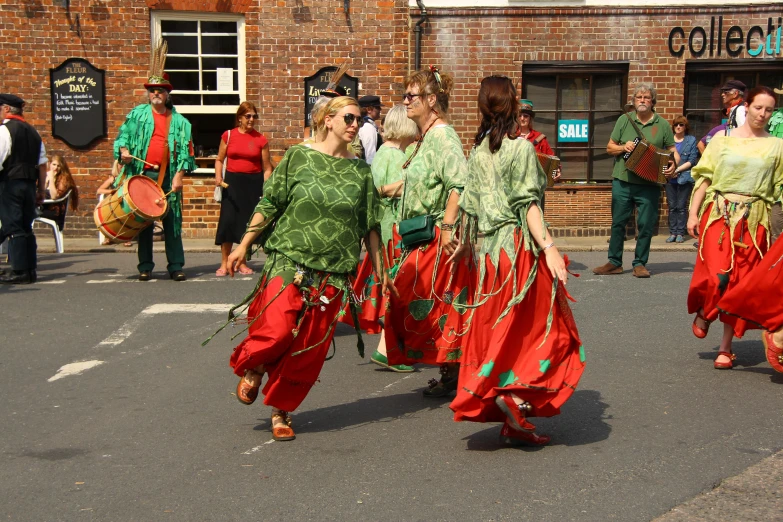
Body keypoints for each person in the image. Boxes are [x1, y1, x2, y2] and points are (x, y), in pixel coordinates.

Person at [224, 96, 390, 441]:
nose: (355, 125)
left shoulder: (360, 171)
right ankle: (253, 364)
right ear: (327, 120)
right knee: (278, 329)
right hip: (290, 258)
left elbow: (371, 225)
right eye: (348, 117)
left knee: (307, 348)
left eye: (358, 119)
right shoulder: (299, 157)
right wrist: (243, 243)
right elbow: (271, 202)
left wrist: (381, 271)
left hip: (334, 269)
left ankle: (281, 409)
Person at [449, 75, 585, 446]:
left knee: (502, 334)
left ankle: (513, 422)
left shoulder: (477, 152)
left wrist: (462, 245)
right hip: (518, 252)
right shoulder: (521, 149)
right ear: (512, 108)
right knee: (549, 333)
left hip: (488, 258)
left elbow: (470, 207)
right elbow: (528, 205)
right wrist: (550, 246)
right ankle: (516, 397)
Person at [382, 66, 474, 397]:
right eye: (405, 95)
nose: (405, 101)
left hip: (436, 235)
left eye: (412, 96)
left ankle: (455, 371)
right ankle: (452, 371)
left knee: (430, 302)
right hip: (418, 235)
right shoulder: (425, 138)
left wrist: (448, 228)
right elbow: (415, 181)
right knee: (424, 302)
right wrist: (379, 190)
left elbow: (459, 184)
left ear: (431, 100)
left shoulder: (442, 136)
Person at [687, 86, 783, 370]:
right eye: (758, 108)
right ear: (747, 107)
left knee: (741, 286)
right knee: (718, 278)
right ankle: (706, 310)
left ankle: (726, 349)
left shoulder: (777, 145)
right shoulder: (721, 140)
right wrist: (692, 214)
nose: (763, 114)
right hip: (719, 215)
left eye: (769, 110)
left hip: (756, 222)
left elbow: (780, 185)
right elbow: (703, 178)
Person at [340, 104, 419, 372]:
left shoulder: (385, 153)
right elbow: (399, 192)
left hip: (383, 231)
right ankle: (390, 351)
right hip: (394, 230)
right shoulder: (396, 157)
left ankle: (391, 349)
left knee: (392, 289)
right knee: (398, 290)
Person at [113, 45, 195, 282]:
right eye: (152, 90)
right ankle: (145, 266)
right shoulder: (137, 115)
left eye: (160, 90)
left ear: (168, 94)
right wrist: (124, 151)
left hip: (168, 176)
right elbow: (122, 137)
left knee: (172, 221)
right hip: (142, 174)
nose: (156, 93)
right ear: (148, 94)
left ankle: (176, 265)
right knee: (144, 222)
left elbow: (186, 154)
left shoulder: (181, 122)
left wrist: (179, 176)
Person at [592, 83, 679, 278]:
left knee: (646, 224)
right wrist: (624, 147)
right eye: (639, 97)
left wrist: (674, 164)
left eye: (646, 97)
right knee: (618, 223)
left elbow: (672, 151)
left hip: (650, 184)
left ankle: (640, 263)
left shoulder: (663, 124)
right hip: (623, 180)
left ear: (652, 101)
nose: (642, 100)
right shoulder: (624, 120)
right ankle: (614, 262)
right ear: (633, 101)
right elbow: (609, 147)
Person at [214, 102, 273, 277]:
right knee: (228, 222)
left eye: (254, 116)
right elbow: (219, 159)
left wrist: (266, 187)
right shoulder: (228, 135)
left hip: (252, 184)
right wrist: (218, 176)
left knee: (247, 224)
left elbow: (267, 167)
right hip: (232, 183)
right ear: (239, 118)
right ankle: (224, 263)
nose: (251, 119)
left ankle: (242, 263)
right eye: (248, 116)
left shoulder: (261, 139)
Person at [0, 93, 47, 284]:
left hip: (10, 183)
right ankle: (30, 270)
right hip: (29, 185)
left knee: (14, 226)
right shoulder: (34, 132)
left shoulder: (5, 130)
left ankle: (19, 271)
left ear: (6, 109)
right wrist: (41, 190)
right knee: (27, 227)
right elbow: (42, 164)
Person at [665, 116, 698, 243]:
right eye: (676, 125)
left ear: (685, 127)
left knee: (681, 206)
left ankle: (680, 233)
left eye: (681, 125)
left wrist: (677, 170)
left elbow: (691, 160)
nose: (678, 127)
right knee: (672, 206)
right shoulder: (668, 141)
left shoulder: (690, 140)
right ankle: (672, 232)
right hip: (669, 179)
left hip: (684, 177)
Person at [517, 98, 561, 182]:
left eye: (525, 116)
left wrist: (557, 169)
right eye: (519, 115)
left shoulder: (539, 138)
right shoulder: (510, 137)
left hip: (535, 184)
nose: (522, 118)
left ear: (530, 118)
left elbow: (552, 158)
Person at [96, 161, 133, 247]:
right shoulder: (113, 178)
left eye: (124, 164)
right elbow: (99, 190)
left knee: (127, 212)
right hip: (113, 204)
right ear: (116, 165)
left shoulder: (129, 178)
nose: (122, 166)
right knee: (109, 211)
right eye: (120, 164)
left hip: (125, 203)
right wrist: (111, 191)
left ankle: (126, 238)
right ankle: (108, 236)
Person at [41, 154, 79, 222]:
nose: (55, 168)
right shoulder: (48, 175)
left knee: (28, 211)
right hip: (44, 206)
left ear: (62, 167)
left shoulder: (64, 178)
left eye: (58, 166)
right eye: (54, 164)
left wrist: (51, 179)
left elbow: (54, 196)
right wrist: (46, 182)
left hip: (54, 211)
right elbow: (41, 193)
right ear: (50, 164)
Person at [358, 95, 384, 164]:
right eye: (377, 107)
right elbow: (370, 156)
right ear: (369, 109)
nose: (380, 109)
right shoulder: (368, 127)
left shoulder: (365, 124)